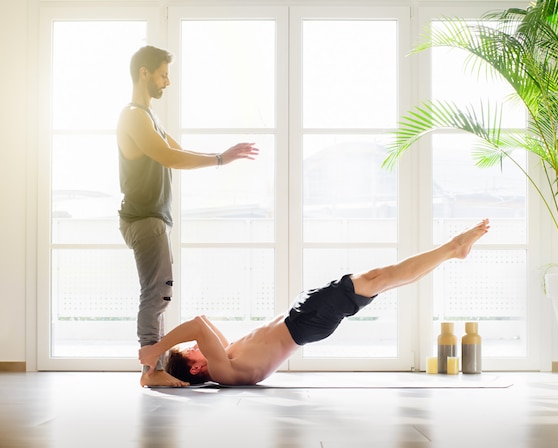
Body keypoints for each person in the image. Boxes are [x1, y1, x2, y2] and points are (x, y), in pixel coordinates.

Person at [139, 219, 490, 387]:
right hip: (305, 322)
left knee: (382, 280)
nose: (195, 346)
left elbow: (202, 326)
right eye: (191, 351)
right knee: (381, 278)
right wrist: (157, 350)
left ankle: (451, 251)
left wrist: (158, 371)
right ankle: (452, 249)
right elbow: (198, 326)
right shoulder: (223, 371)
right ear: (198, 367)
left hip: (303, 318)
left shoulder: (226, 357)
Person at [117, 45, 259, 388]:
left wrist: (222, 157)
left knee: (159, 295)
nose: (167, 81)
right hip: (145, 218)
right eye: (163, 74)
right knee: (156, 295)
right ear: (144, 73)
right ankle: (151, 372)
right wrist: (220, 159)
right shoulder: (134, 115)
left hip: (153, 218)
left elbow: (177, 151)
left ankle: (156, 368)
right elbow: (167, 156)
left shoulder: (150, 117)